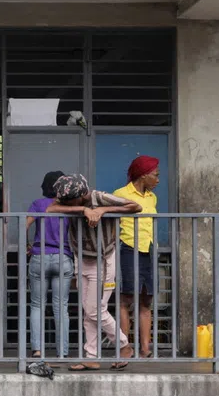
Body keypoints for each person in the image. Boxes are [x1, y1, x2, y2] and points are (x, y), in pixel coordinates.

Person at [48, 174, 141, 372]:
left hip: (103, 260)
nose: (64, 203)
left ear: (80, 194)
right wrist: (83, 210)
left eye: (68, 201)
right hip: (81, 259)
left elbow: (135, 206)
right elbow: (51, 208)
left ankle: (124, 345)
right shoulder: (72, 202)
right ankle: (91, 357)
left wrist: (102, 210)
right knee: (87, 311)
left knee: (95, 309)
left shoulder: (99, 197)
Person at [114, 156, 160, 358]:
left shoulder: (152, 197)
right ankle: (125, 347)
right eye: (155, 175)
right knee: (126, 299)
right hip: (128, 248)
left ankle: (145, 349)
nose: (158, 179)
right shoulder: (121, 194)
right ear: (144, 175)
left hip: (148, 249)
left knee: (146, 300)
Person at [27, 170, 75, 361]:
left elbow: (26, 223)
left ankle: (37, 350)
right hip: (63, 257)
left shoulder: (38, 204)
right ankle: (62, 352)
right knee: (61, 306)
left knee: (37, 305)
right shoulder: (68, 205)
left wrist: (26, 245)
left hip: (40, 256)